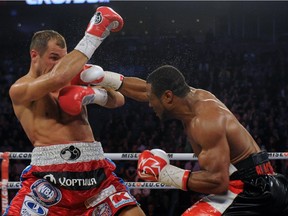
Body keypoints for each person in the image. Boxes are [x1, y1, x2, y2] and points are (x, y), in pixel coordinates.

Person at [82, 65, 288, 215]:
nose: (149, 105)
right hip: (265, 181)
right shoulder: (191, 96)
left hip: (252, 191)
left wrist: (163, 173)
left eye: (152, 100)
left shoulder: (205, 122)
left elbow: (218, 182)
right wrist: (104, 78)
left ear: (168, 97)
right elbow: (144, 90)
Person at [6, 6, 145, 216]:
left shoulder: (71, 77)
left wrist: (93, 95)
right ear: (34, 55)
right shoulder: (20, 89)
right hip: (49, 181)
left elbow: (118, 100)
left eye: (63, 59)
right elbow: (57, 78)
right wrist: (95, 34)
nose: (59, 65)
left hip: (95, 174)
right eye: (53, 57)